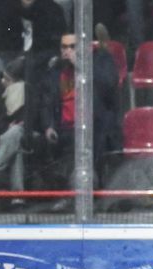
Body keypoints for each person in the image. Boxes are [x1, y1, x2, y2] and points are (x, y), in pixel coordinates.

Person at [31, 32, 121, 189]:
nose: (68, 51)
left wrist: (81, 66)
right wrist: (48, 126)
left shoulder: (100, 60)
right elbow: (46, 103)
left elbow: (108, 85)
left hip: (94, 127)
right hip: (64, 128)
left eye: (73, 47)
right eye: (64, 47)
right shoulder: (55, 71)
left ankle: (82, 186)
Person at [0, 56, 26, 191]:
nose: (2, 81)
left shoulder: (28, 92)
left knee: (16, 131)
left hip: (27, 136)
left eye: (7, 79)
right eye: (2, 77)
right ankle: (18, 197)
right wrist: (7, 127)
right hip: (5, 137)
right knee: (16, 149)